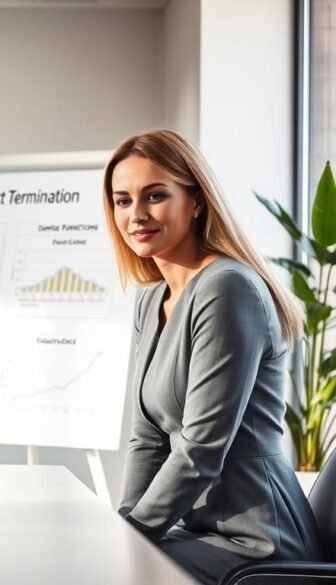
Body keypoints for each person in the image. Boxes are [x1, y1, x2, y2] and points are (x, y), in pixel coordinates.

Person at [105, 129, 323, 583]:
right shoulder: (152, 298)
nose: (136, 215)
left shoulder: (226, 287)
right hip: (196, 529)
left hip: (256, 539)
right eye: (122, 201)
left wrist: (130, 536)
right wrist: (123, 523)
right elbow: (146, 437)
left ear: (196, 200)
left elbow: (201, 449)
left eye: (155, 195)